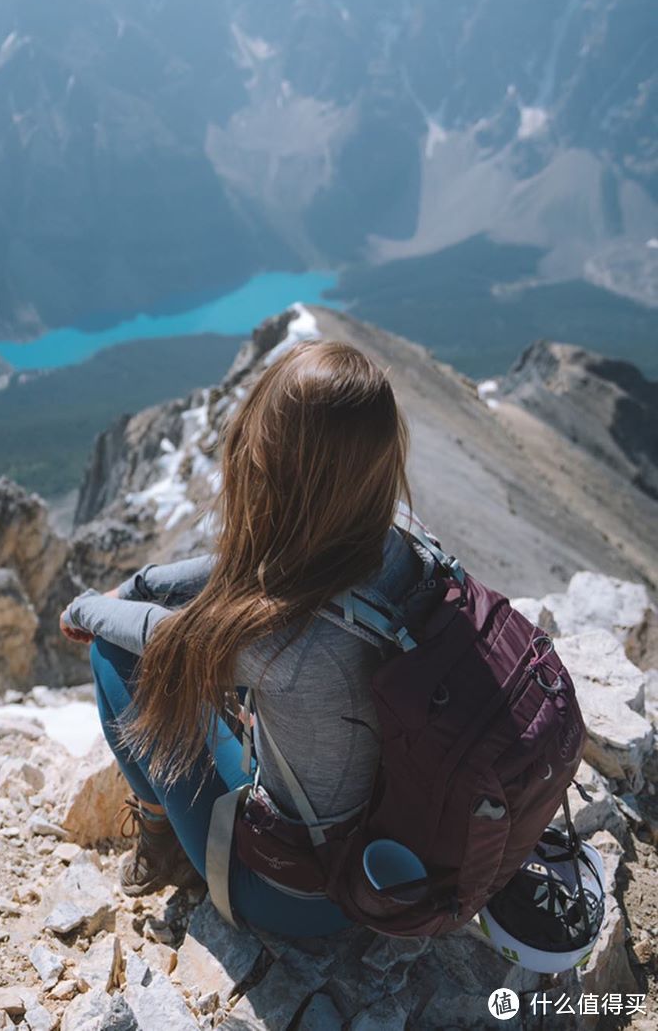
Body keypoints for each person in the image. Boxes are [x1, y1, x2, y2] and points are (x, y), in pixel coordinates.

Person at [58, 337, 427, 939]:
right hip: (395, 863)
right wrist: (146, 581)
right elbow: (258, 567)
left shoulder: (280, 641)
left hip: (305, 899)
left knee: (113, 655)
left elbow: (156, 636)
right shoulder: (400, 540)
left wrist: (90, 607)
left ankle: (163, 836)